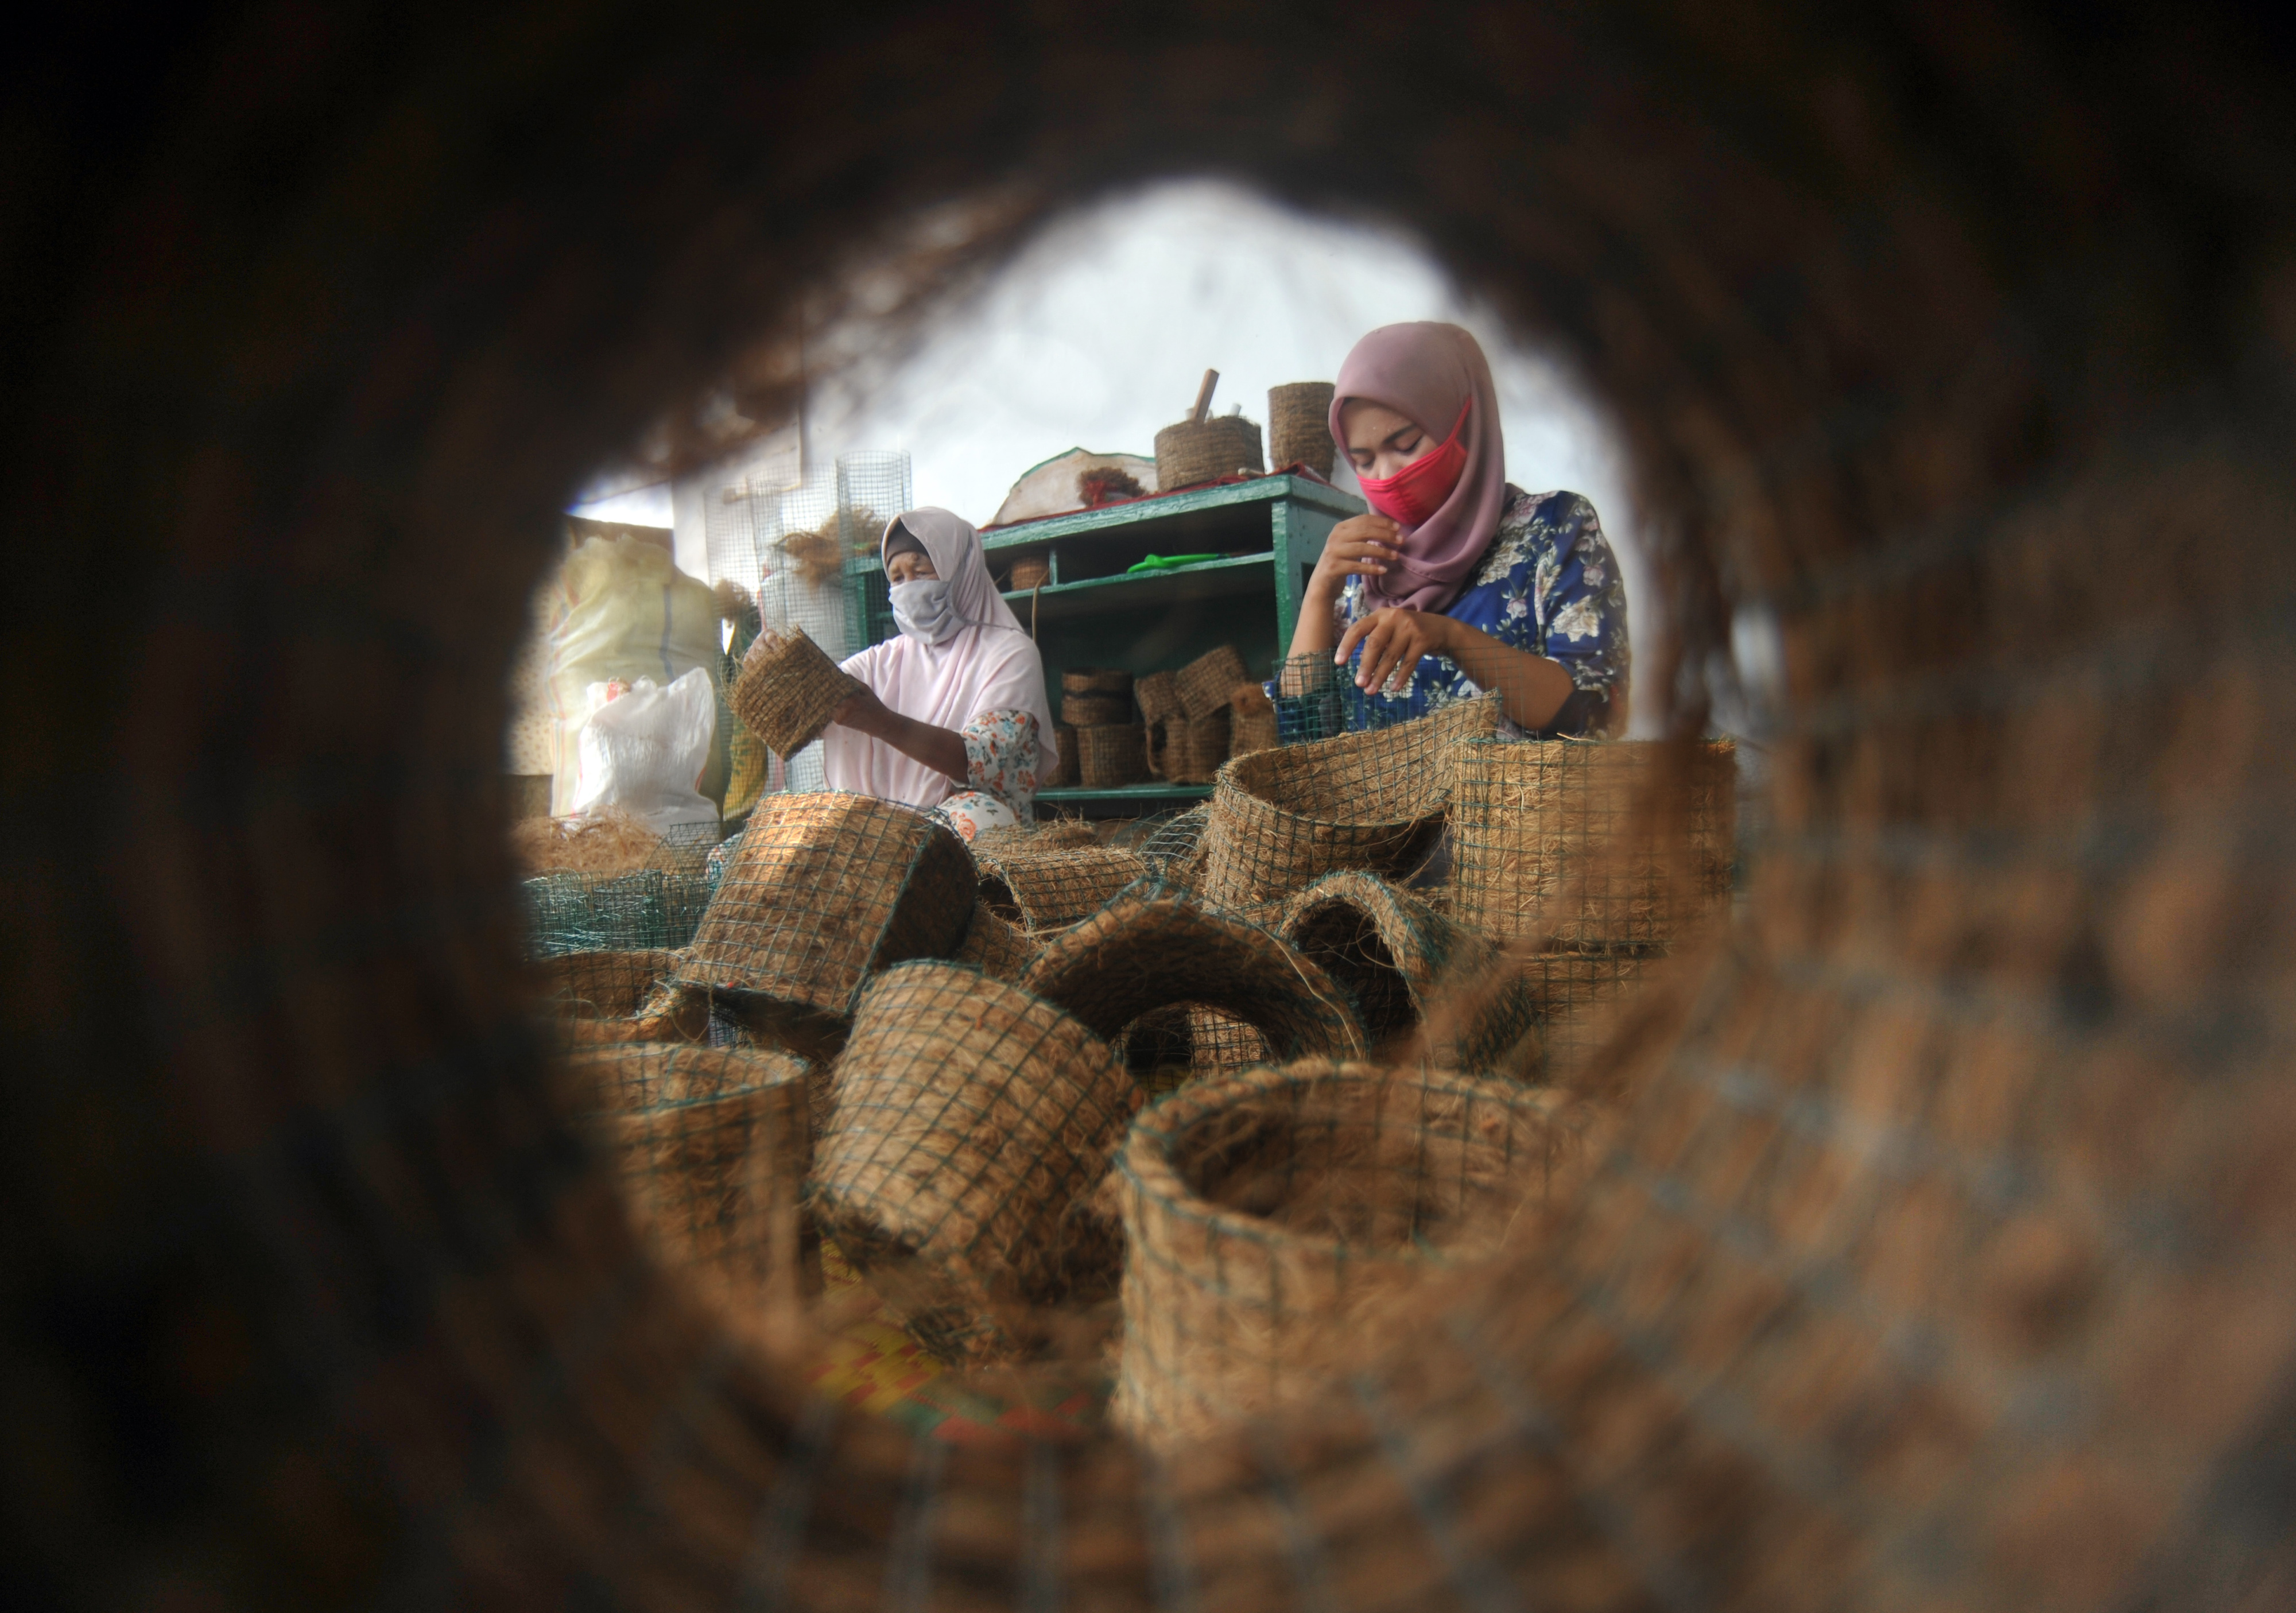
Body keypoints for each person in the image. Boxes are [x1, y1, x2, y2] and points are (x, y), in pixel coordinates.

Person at [1284, 321, 1630, 735]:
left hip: (1523, 801)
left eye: (1406, 445)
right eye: (1363, 460)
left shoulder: (1554, 531)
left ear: (1464, 423)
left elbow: (1594, 710)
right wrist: (1320, 592)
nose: (1387, 474)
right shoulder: (1366, 567)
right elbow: (1303, 740)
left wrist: (1451, 637)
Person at [816, 506, 1054, 841]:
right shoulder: (881, 661)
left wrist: (879, 721)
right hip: (879, 824)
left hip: (957, 820)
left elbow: (976, 763)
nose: (908, 588)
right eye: (897, 578)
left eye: (922, 572)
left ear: (960, 569)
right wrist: (775, 664)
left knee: (979, 821)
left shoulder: (1009, 653)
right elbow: (813, 696)